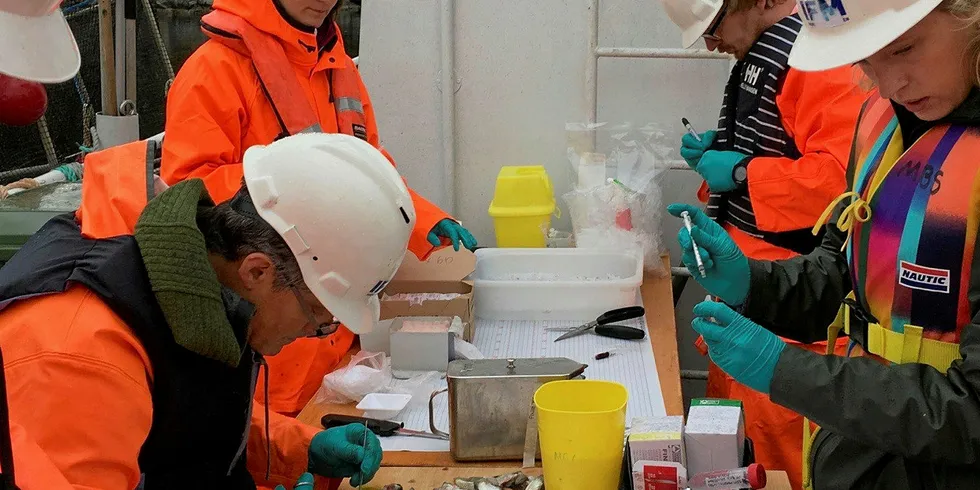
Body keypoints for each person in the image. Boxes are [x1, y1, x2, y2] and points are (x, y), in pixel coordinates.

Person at [0, 103, 396, 490]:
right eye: (316, 315)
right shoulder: (79, 358)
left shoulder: (196, 289)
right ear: (257, 270)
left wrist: (299, 450)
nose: (318, 331)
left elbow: (182, 412)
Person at [670, 0, 980, 487]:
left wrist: (787, 370)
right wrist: (752, 283)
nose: (887, 85)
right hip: (864, 458)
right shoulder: (886, 121)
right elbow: (841, 273)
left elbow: (970, 412)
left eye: (903, 49)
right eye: (864, 63)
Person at [161, 0, 477, 417]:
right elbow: (188, 193)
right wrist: (294, 180)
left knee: (331, 460)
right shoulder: (214, 70)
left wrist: (417, 219)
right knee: (268, 458)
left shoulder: (339, 67)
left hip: (335, 342)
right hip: (268, 343)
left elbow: (366, 170)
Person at [659, 0, 866, 485]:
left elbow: (844, 181)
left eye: (713, 27)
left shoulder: (820, 61)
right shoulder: (766, 56)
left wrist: (741, 170)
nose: (711, 44)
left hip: (796, 326)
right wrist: (724, 155)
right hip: (746, 301)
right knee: (734, 455)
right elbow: (781, 155)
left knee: (784, 461)